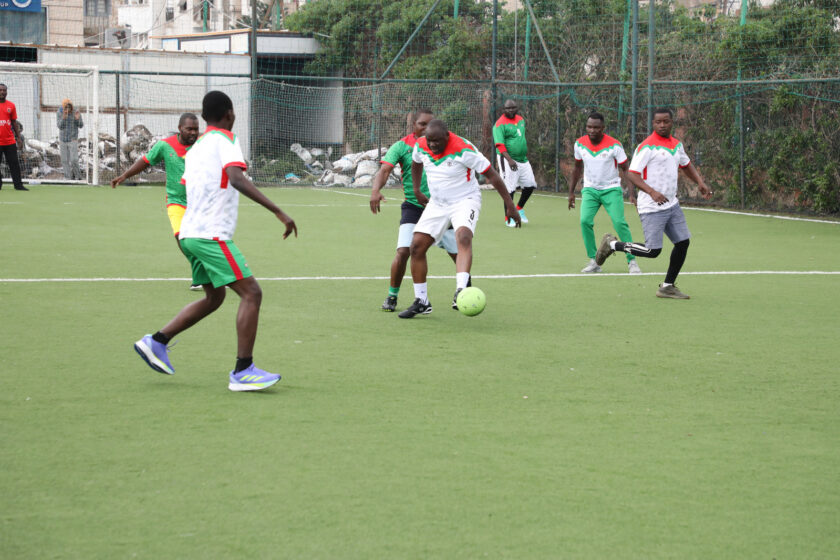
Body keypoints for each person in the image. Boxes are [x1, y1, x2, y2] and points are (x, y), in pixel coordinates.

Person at [133, 91, 297, 391]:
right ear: (229, 114)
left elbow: (187, 187)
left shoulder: (195, 149)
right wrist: (278, 211)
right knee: (252, 294)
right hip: (210, 235)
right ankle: (243, 370)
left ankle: (156, 342)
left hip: (189, 234)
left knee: (214, 298)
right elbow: (236, 178)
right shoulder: (225, 140)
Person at [398, 120, 521, 319]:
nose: (433, 145)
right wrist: (417, 189)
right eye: (430, 140)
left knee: (463, 237)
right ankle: (421, 301)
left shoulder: (464, 149)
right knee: (416, 247)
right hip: (437, 203)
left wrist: (509, 204)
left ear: (448, 136)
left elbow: (492, 175)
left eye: (437, 141)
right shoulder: (421, 145)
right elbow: (416, 163)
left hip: (465, 200)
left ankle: (461, 290)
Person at [595, 107, 712, 299]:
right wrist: (652, 192)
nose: (662, 125)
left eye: (666, 121)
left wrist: (700, 182)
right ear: (653, 123)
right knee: (652, 251)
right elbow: (632, 174)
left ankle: (667, 286)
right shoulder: (647, 146)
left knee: (683, 243)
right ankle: (613, 245)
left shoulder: (676, 145)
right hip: (651, 206)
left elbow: (686, 164)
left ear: (671, 122)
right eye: (658, 122)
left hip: (671, 204)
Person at [370, 108, 460, 312]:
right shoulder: (402, 146)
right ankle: (393, 296)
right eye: (422, 124)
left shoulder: (444, 145)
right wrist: (376, 190)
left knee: (457, 251)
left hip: (443, 207)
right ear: (414, 126)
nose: (426, 128)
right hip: (414, 207)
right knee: (404, 251)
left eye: (430, 125)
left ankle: (464, 290)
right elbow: (385, 170)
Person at [111, 113, 201, 290]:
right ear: (179, 128)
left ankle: (202, 276)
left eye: (196, 129)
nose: (193, 132)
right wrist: (124, 175)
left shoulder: (203, 144)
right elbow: (145, 161)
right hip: (176, 200)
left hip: (201, 202)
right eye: (189, 129)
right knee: (182, 237)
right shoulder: (165, 145)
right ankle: (200, 272)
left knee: (203, 240)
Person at [568, 112, 641, 274]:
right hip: (590, 190)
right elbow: (577, 168)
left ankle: (632, 261)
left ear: (603, 128)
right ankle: (594, 261)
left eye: (596, 127)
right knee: (584, 221)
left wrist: (632, 193)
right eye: (589, 127)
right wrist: (571, 192)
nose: (592, 130)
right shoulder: (579, 144)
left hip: (611, 190)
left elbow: (626, 169)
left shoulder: (615, 145)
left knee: (619, 222)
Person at [493, 99, 536, 226]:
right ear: (504, 110)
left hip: (522, 159)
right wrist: (510, 160)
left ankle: (519, 208)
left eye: (513, 108)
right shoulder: (499, 124)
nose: (511, 110)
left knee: (530, 185)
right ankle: (508, 218)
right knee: (509, 188)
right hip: (507, 159)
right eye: (508, 108)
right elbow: (499, 145)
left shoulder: (521, 120)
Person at [0, 84, 28, 191]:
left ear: (6, 92)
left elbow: (14, 122)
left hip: (9, 141)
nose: (2, 92)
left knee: (14, 164)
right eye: (0, 90)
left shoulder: (11, 106)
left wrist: (18, 138)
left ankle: (18, 185)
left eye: (4, 90)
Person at [56, 99, 84, 180]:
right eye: (66, 107)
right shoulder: (59, 112)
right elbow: (60, 126)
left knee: (74, 159)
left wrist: (77, 119)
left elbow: (81, 125)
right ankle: (68, 177)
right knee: (64, 160)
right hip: (63, 139)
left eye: (69, 107)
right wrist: (64, 118)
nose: (67, 109)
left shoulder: (76, 111)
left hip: (73, 139)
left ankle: (78, 177)